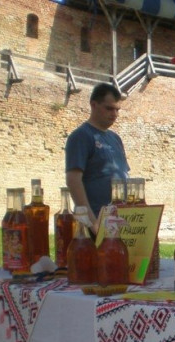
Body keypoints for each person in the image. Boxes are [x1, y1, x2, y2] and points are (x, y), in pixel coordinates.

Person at [65, 83, 129, 234]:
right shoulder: (81, 136)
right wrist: (92, 223)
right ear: (94, 105)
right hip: (96, 221)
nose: (114, 114)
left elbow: (123, 176)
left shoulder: (115, 138)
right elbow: (73, 180)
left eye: (117, 110)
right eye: (109, 108)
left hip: (118, 222)